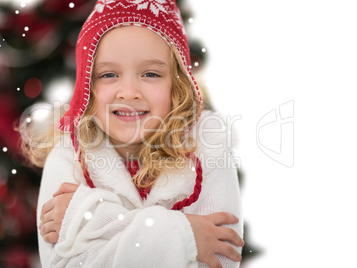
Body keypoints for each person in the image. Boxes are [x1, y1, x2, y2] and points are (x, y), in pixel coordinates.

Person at [23, 0, 244, 267]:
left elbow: (220, 258)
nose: (128, 91)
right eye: (108, 75)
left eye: (150, 73)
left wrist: (91, 216)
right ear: (86, 88)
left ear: (178, 83)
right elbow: (67, 264)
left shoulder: (207, 151)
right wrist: (185, 236)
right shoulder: (66, 158)